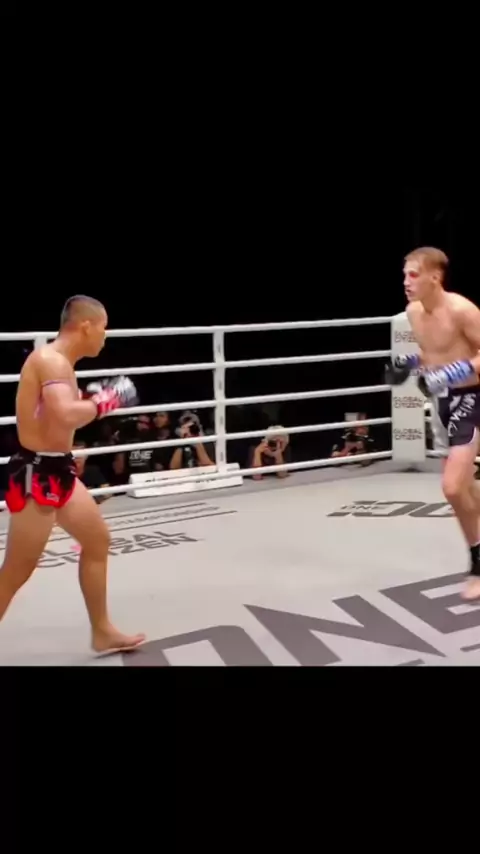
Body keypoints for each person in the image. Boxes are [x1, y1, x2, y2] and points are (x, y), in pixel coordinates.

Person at [0, 295, 146, 654]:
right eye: (103, 328)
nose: (104, 337)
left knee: (96, 541)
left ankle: (102, 630)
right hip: (36, 474)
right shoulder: (50, 360)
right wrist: (104, 401)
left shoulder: (61, 363)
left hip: (58, 468)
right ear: (85, 325)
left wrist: (89, 404)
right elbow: (65, 414)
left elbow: (56, 418)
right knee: (16, 570)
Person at [385, 247, 480, 599]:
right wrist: (410, 363)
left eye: (413, 274)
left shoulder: (462, 310)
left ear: (435, 277)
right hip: (444, 402)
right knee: (464, 487)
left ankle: (478, 565)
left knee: (453, 487)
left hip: (473, 398)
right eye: (404, 274)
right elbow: (432, 352)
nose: (406, 282)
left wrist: (455, 372)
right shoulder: (413, 312)